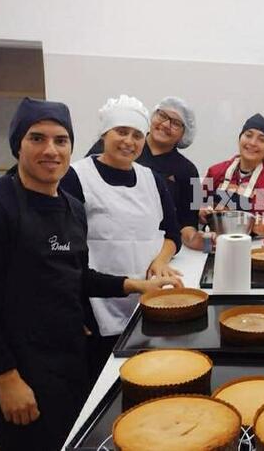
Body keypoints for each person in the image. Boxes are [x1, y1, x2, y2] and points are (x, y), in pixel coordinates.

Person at [0, 98, 182, 451]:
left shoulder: (72, 208)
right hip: (23, 363)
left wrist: (134, 284)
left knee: (75, 438)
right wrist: (5, 377)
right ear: (17, 144)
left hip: (70, 351)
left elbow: (76, 275)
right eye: (37, 138)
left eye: (60, 140)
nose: (50, 150)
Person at [61, 95, 183, 381]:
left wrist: (162, 259)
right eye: (122, 132)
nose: (129, 141)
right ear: (105, 133)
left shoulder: (151, 178)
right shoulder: (76, 177)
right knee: (103, 382)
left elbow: (172, 231)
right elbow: (66, 257)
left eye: (137, 135)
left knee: (148, 376)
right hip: (96, 302)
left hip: (148, 297)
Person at [87, 97, 204, 250]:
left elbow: (189, 222)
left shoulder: (190, 171)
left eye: (176, 123)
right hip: (101, 241)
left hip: (162, 248)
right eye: (162, 115)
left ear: (185, 133)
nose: (166, 124)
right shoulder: (113, 147)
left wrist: (198, 241)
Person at [201, 113, 264, 235]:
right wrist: (202, 213)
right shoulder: (215, 172)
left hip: (256, 248)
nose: (252, 143)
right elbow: (198, 207)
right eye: (248, 135)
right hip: (216, 244)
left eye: (261, 139)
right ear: (239, 138)